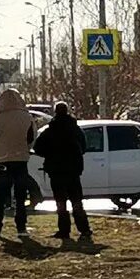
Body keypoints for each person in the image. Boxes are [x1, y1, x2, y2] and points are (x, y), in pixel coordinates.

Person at [33, 102, 92, 241]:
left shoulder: (50, 130)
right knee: (77, 200)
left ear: (55, 112)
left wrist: (49, 155)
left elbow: (38, 148)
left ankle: (64, 230)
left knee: (60, 202)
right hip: (73, 170)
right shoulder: (75, 129)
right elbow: (83, 147)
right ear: (67, 111)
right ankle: (84, 229)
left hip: (56, 170)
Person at [0, 89, 35, 239]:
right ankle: (21, 228)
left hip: (1, 160)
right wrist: (25, 150)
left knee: (0, 197)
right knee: (20, 197)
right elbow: (32, 137)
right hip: (20, 160)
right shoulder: (27, 117)